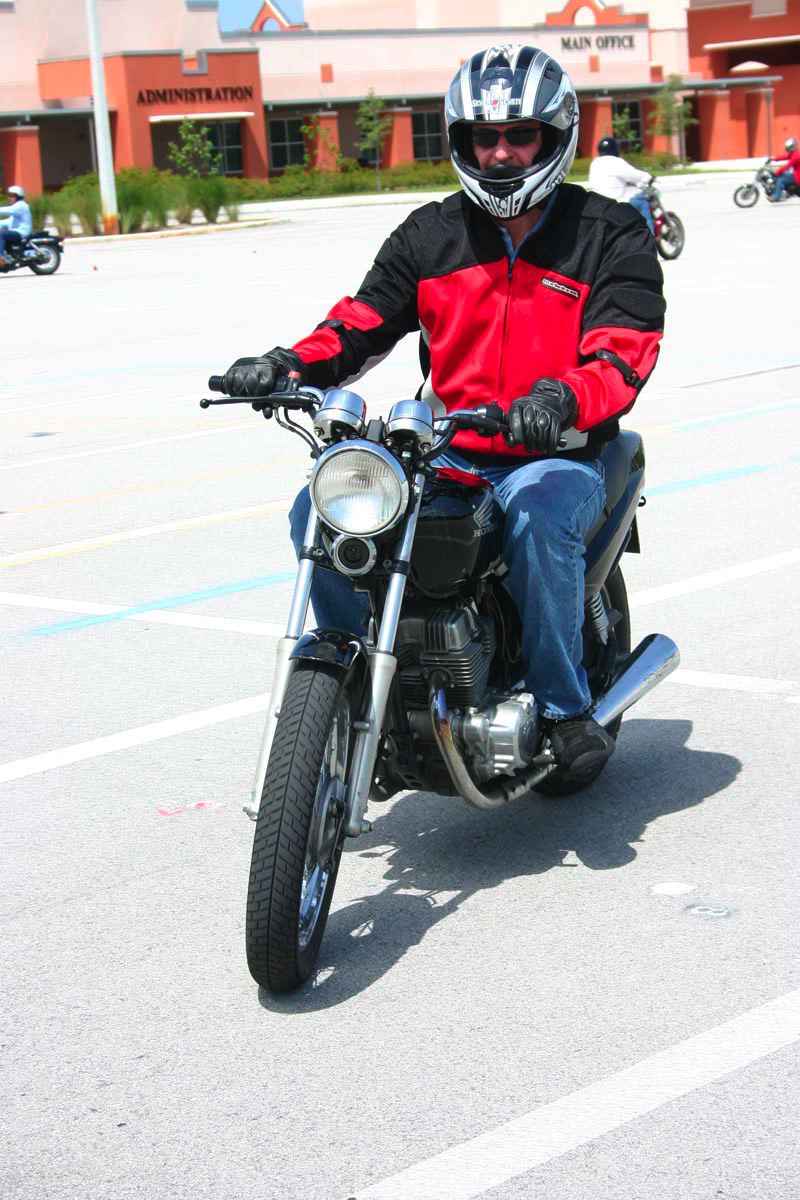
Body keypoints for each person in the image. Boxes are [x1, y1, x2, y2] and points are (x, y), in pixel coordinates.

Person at [220, 44, 665, 781]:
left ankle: (564, 710)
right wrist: (288, 364)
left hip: (559, 451)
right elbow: (361, 322)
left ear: (555, 137)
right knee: (320, 510)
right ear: (461, 140)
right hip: (451, 448)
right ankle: (354, 684)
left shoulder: (608, 233)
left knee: (538, 515)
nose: (500, 153)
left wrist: (559, 399)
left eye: (519, 135)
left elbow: (624, 353)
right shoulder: (431, 234)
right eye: (483, 137)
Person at [588, 136, 655, 233]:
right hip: (615, 202)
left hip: (597, 203)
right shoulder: (616, 162)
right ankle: (650, 235)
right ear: (615, 149)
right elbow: (634, 175)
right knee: (643, 203)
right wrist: (648, 177)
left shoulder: (595, 162)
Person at [0, 184, 32, 266]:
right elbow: (9, 222)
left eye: (11, 196)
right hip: (15, 231)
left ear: (18, 196)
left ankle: (1, 258)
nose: (9, 198)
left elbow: (8, 210)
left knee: (1, 234)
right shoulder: (16, 207)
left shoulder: (21, 206)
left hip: (21, 232)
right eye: (8, 196)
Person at [769, 137, 800, 202]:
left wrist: (777, 172)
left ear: (792, 147)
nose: (787, 149)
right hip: (795, 174)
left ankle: (776, 196)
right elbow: (784, 157)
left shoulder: (796, 156)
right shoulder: (794, 154)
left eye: (788, 148)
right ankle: (779, 191)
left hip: (797, 176)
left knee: (781, 179)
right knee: (782, 175)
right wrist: (773, 159)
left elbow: (787, 166)